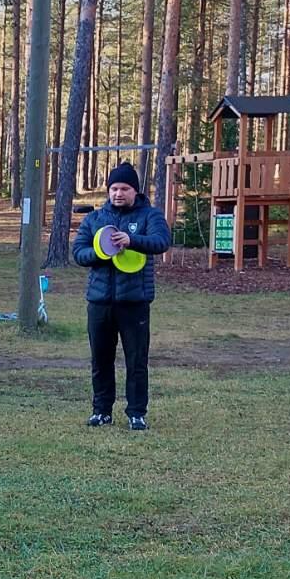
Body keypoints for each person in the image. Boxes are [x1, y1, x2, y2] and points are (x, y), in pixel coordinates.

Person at [71, 161, 172, 431]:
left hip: (134, 302)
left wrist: (132, 240)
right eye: (114, 188)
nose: (118, 193)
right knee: (100, 360)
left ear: (135, 191)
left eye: (124, 188)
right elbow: (78, 252)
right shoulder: (94, 219)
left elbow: (162, 242)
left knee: (136, 361)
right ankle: (101, 411)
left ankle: (136, 413)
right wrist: (102, 253)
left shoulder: (150, 216)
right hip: (99, 302)